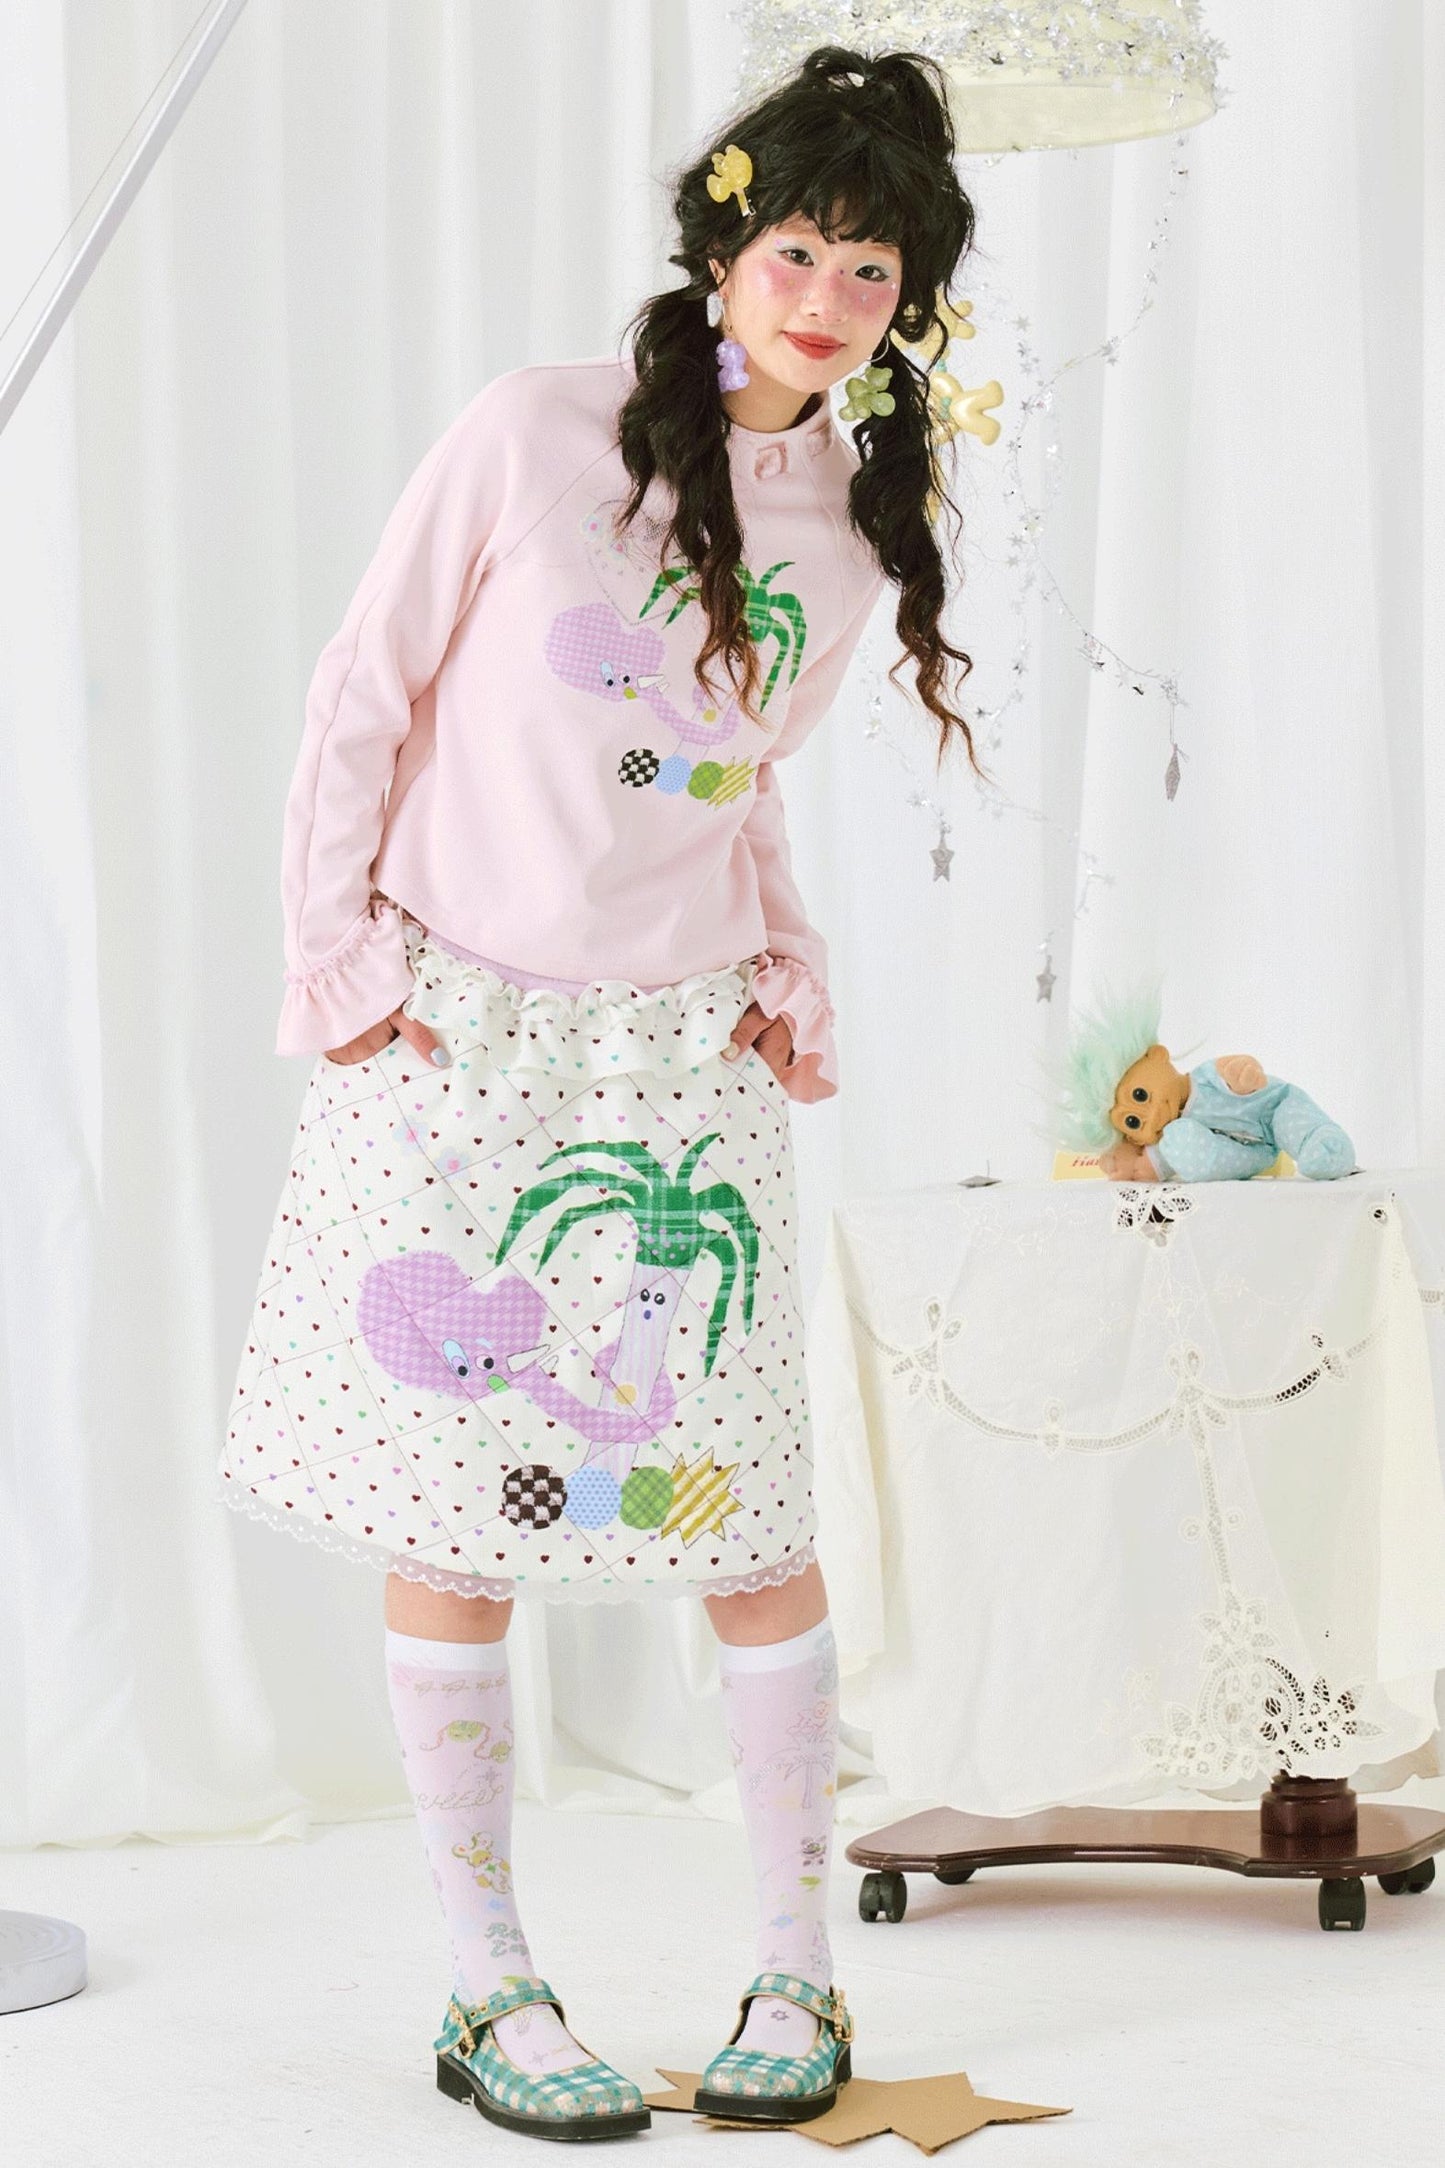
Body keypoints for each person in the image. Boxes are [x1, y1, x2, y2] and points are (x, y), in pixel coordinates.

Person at [218, 41, 980, 2143]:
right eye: (798, 248)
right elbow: (361, 696)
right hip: (457, 1037)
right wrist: (340, 963)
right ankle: (489, 1986)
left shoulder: (851, 527)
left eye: (872, 268)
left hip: (680, 1058)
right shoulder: (531, 434)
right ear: (725, 247)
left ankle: (795, 1975)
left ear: (907, 303)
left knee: (743, 1518)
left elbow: (729, 786)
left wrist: (788, 969)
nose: (826, 296)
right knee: (457, 1511)